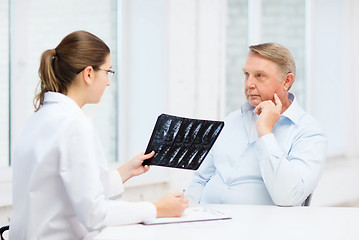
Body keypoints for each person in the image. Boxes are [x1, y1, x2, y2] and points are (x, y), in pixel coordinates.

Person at [9, 30, 188, 240]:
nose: (108, 82)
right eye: (108, 72)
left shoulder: (41, 117)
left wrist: (124, 172)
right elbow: (94, 214)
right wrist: (158, 208)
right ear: (88, 74)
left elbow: (68, 190)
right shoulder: (74, 125)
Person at [186, 43, 327, 206]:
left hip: (262, 229)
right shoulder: (231, 120)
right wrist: (187, 209)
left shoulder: (309, 132)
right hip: (206, 222)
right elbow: (201, 179)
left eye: (259, 75)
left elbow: (288, 197)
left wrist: (265, 132)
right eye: (247, 74)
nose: (248, 84)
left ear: (287, 81)